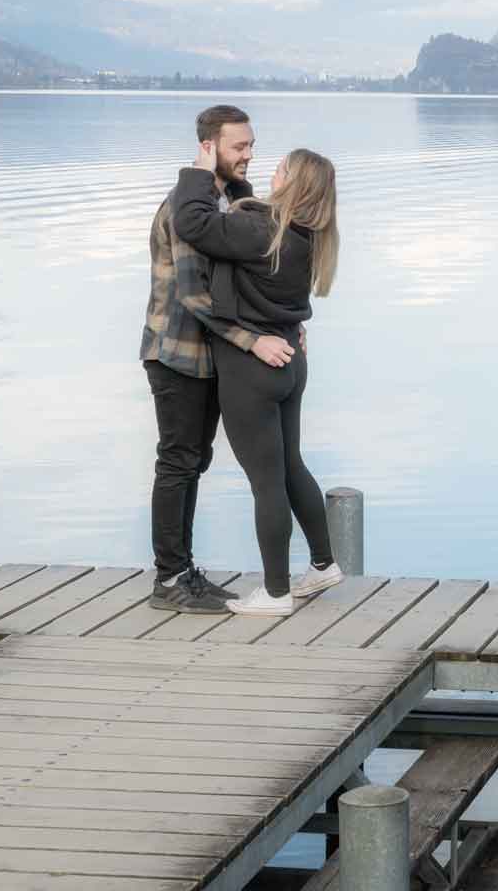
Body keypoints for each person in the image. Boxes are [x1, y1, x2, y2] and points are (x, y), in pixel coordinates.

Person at [173, 140, 341, 617]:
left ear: (293, 182)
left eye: (281, 168)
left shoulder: (261, 229)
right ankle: (324, 563)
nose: (272, 172)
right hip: (291, 361)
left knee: (265, 482)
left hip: (252, 370)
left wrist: (199, 172)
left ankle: (275, 592)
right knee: (290, 466)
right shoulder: (307, 236)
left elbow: (193, 224)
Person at [139, 105, 297, 614]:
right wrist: (253, 342)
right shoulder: (186, 207)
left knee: (196, 461)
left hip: (211, 357)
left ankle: (186, 572)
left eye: (251, 145)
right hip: (176, 353)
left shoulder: (231, 199)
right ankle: (169, 579)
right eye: (239, 147)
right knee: (179, 461)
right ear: (209, 148)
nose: (249, 155)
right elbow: (194, 294)